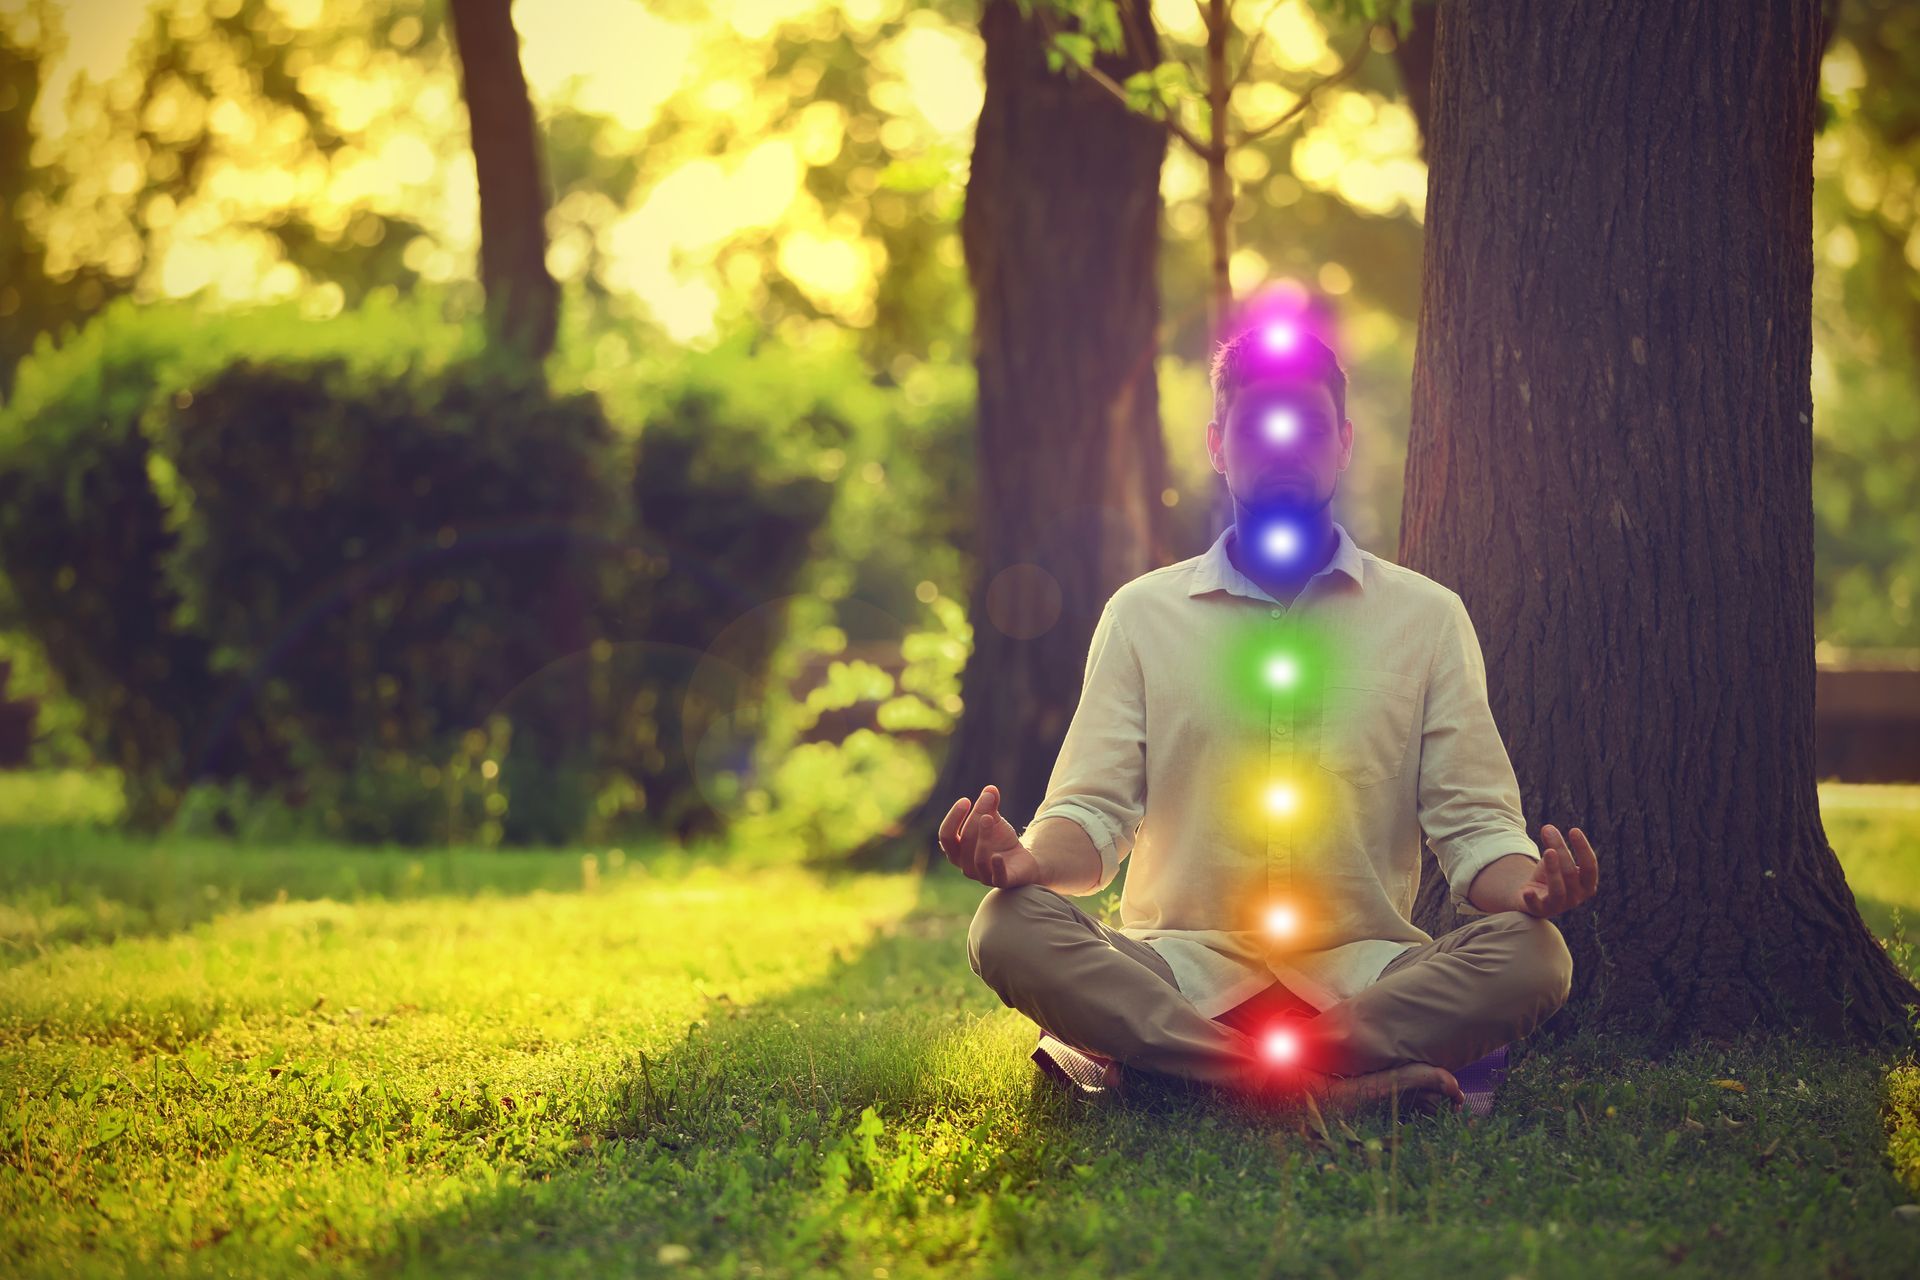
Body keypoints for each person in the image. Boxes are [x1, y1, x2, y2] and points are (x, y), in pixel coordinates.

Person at [945, 319, 1600, 1114]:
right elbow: (1092, 815)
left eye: (1309, 427)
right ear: (1218, 445)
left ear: (1344, 442)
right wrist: (1027, 864)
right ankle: (1313, 1089)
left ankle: (1195, 1074)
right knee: (1004, 926)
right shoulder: (1142, 614)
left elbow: (1474, 830)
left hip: (1364, 980)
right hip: (1178, 976)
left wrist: (1528, 884)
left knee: (1536, 956)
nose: (1284, 445)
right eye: (1257, 428)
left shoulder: (1427, 618)